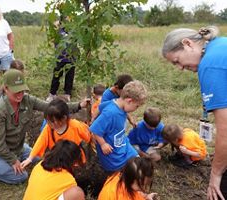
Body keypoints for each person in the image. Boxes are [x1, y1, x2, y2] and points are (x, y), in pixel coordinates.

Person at [0, 69, 88, 184]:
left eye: (22, 90)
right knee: (20, 176)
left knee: (43, 159)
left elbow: (50, 107)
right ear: (6, 89)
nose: (20, 94)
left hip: (16, 147)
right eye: (16, 90)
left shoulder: (27, 100)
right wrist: (13, 160)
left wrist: (79, 105)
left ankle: (8, 160)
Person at [162, 26, 227, 200]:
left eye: (176, 61)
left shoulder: (210, 65)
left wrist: (215, 174)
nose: (180, 68)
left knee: (219, 191)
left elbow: (225, 130)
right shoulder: (220, 45)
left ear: (188, 44)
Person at [90, 80, 147, 173]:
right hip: (112, 154)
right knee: (122, 175)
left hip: (122, 144)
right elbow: (95, 129)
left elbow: (100, 106)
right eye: (136, 106)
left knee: (138, 162)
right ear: (129, 101)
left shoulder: (116, 103)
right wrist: (103, 144)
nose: (136, 109)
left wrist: (94, 115)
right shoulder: (111, 113)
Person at [21, 98, 91, 168]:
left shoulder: (75, 126)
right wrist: (30, 158)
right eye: (47, 120)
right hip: (58, 158)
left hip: (73, 158)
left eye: (52, 121)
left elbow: (88, 136)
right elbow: (41, 141)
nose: (49, 123)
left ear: (64, 118)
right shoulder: (49, 128)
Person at [46, 16, 77, 102]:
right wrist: (55, 27)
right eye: (66, 19)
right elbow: (52, 39)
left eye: (69, 18)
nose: (68, 20)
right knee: (56, 76)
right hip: (60, 58)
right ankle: (52, 94)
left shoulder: (74, 30)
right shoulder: (58, 30)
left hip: (71, 58)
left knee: (69, 77)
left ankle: (67, 94)